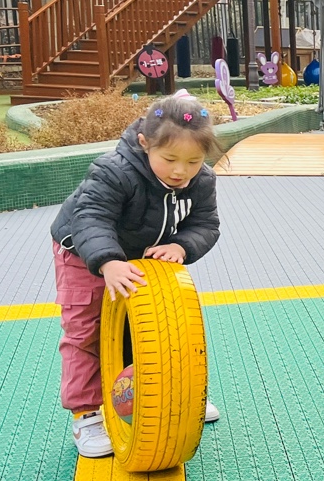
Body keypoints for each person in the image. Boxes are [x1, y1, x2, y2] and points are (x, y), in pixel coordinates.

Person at [51, 92, 223, 457]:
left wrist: (182, 246)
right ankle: (86, 414)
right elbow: (91, 218)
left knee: (151, 327)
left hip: (137, 257)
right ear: (145, 143)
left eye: (193, 161)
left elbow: (206, 224)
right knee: (87, 331)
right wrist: (107, 261)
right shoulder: (114, 170)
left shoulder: (201, 181)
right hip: (83, 253)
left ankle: (163, 397)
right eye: (170, 159)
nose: (180, 171)